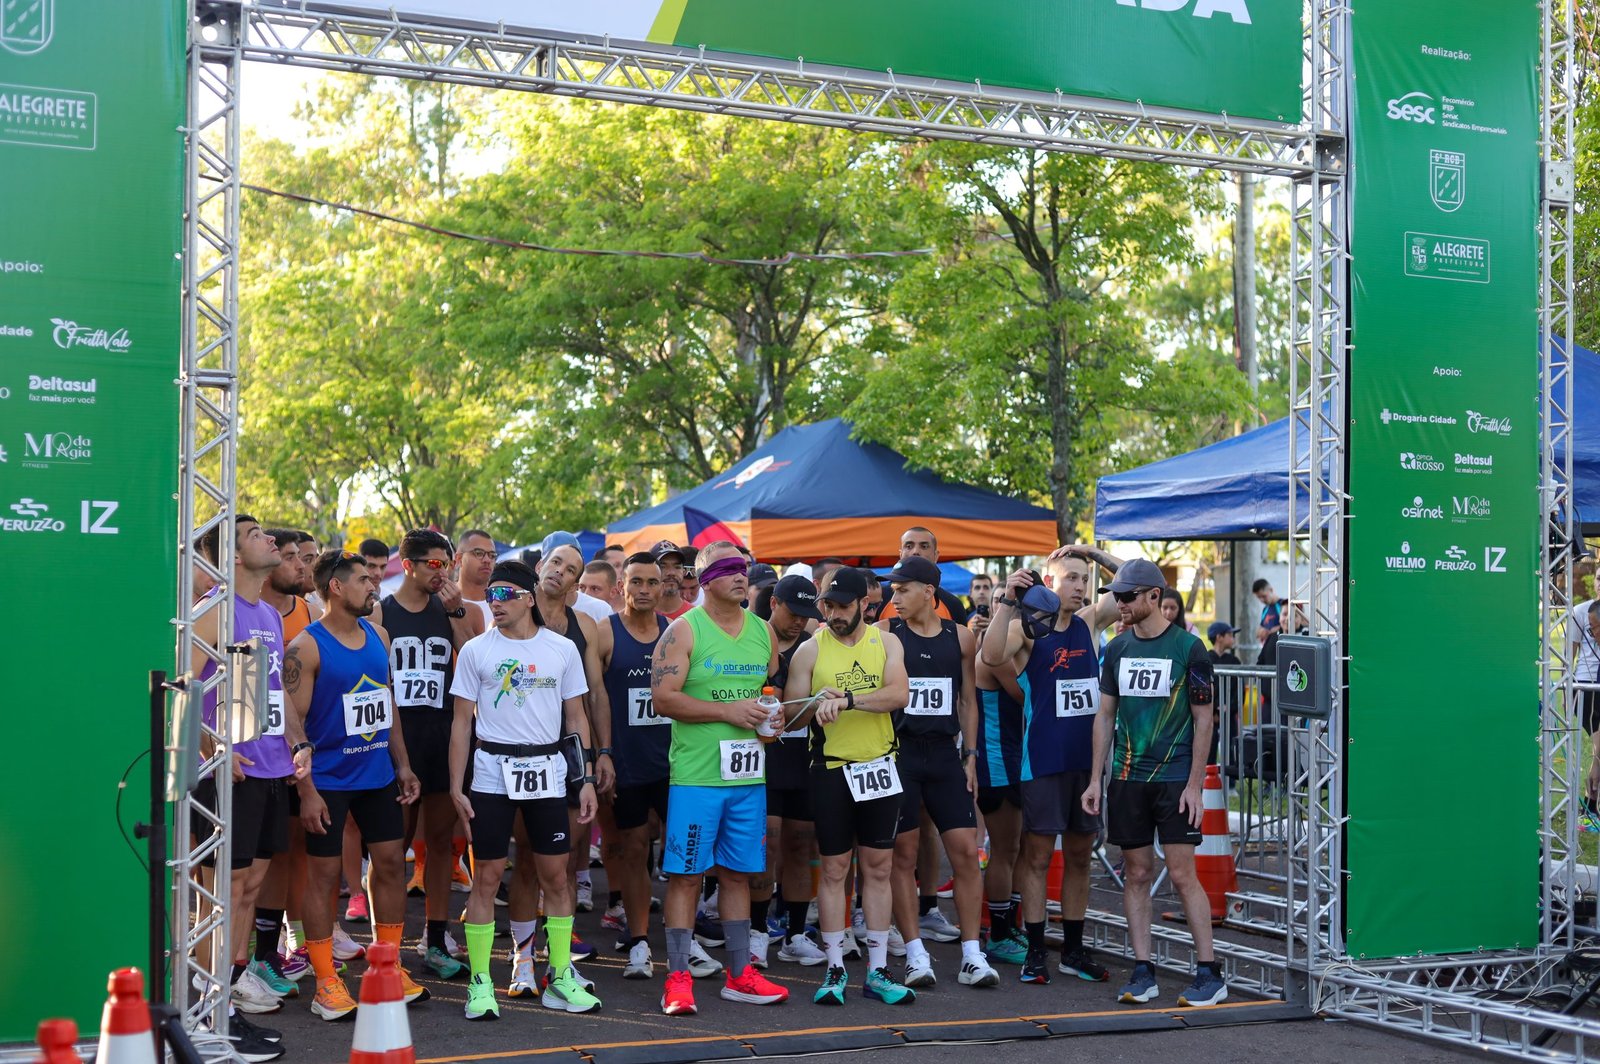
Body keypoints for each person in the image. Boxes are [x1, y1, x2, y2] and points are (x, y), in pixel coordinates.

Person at [448, 560, 600, 1020]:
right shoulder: (476, 650)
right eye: (490, 596)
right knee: (488, 876)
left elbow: (576, 717)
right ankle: (480, 983)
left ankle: (559, 976)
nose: (495, 603)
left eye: (505, 595)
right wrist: (457, 787)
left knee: (556, 875)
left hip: (548, 770)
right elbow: (460, 724)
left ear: (528, 599)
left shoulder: (561, 649)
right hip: (492, 770)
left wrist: (586, 778)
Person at [282, 550, 427, 1020]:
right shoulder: (307, 646)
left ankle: (386, 966)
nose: (374, 586)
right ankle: (326, 979)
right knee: (323, 878)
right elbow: (291, 725)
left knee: (389, 863)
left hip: (377, 775)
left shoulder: (379, 635)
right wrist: (305, 791)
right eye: (365, 579)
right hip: (327, 781)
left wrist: (402, 763)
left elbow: (388, 705)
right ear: (337, 588)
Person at [652, 541, 789, 1015]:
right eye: (728, 569)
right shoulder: (681, 632)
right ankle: (677, 978)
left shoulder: (764, 633)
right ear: (705, 578)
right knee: (687, 878)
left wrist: (774, 718)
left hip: (747, 778)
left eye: (743, 569)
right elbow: (664, 700)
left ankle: (738, 975)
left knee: (738, 875)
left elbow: (769, 693)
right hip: (695, 778)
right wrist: (727, 711)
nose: (739, 576)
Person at [1084, 559, 1225, 1008]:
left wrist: (1194, 785)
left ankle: (1209, 972)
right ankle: (1143, 970)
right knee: (1137, 873)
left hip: (1173, 780)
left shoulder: (1190, 648)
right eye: (1116, 596)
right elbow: (1104, 716)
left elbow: (1205, 719)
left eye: (1126, 596)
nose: (1118, 603)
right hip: (1127, 779)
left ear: (1152, 597)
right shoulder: (1117, 649)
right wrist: (1095, 779)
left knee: (1183, 875)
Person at [982, 545, 1122, 986]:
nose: (1081, 586)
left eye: (1085, 579)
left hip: (1087, 762)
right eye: (1071, 578)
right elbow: (989, 657)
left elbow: (1142, 583)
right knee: (1038, 857)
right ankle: (1037, 949)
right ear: (1049, 583)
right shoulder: (1028, 630)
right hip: (1042, 762)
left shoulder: (1089, 622)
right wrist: (1007, 598)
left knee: (1081, 856)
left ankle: (1073, 950)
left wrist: (1090, 552)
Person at [191, 516, 301, 1058]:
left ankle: (227, 1003)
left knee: (250, 890)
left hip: (268, 767)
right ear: (232, 556)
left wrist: (290, 751)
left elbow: (263, 697)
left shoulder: (265, 614)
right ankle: (211, 1009)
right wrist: (215, 747)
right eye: (258, 536)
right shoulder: (215, 606)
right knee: (223, 895)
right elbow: (185, 680)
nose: (272, 542)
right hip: (227, 773)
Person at [783, 567, 916, 1007]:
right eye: (828, 605)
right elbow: (791, 719)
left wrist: (849, 700)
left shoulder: (887, 642)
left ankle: (878, 970)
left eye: (842, 605)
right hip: (831, 769)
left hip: (879, 765)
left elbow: (899, 694)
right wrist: (812, 703)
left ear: (864, 604)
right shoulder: (809, 650)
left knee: (879, 868)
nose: (833, 614)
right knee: (836, 869)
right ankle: (835, 967)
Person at [881, 556, 997, 989]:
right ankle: (914, 954)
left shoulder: (961, 638)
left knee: (966, 852)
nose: (894, 598)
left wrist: (970, 756)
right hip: (901, 755)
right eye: (892, 590)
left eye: (902, 590)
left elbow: (968, 700)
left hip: (946, 756)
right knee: (904, 857)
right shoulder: (887, 633)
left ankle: (972, 955)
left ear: (928, 592)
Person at [373, 529, 483, 979]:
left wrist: (456, 609)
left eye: (448, 564)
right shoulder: (381, 610)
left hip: (442, 736)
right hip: (396, 740)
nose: (444, 573)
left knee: (441, 845)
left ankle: (434, 939)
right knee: (391, 849)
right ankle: (388, 946)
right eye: (435, 564)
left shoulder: (459, 609)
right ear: (409, 563)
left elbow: (472, 655)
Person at [592, 553, 673, 980]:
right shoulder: (605, 633)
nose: (644, 589)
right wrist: (603, 753)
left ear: (663, 588)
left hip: (675, 761)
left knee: (680, 851)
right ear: (621, 585)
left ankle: (684, 937)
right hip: (628, 760)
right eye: (636, 580)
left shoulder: (674, 633)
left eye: (652, 582)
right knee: (635, 848)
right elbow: (594, 698)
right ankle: (639, 940)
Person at [763, 575, 827, 966]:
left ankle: (796, 933)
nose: (798, 622)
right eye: (792, 612)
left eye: (806, 615)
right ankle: (757, 930)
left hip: (803, 758)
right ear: (773, 603)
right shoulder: (753, 640)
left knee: (801, 846)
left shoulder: (814, 647)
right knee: (766, 845)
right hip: (763, 760)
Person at [876, 528, 969, 623]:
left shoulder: (952, 604)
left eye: (924, 546)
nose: (916, 551)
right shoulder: (879, 598)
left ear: (936, 556)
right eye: (909, 546)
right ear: (901, 554)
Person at [456, 529, 498, 628]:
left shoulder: (503, 603)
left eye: (492, 555)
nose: (487, 560)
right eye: (479, 553)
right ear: (459, 559)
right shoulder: (444, 599)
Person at [652, 541, 695, 621]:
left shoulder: (696, 617)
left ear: (683, 571)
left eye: (677, 567)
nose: (671, 572)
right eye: (663, 566)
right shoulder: (638, 615)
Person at [1252, 579, 1286, 644]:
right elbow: (1260, 629)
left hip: (1280, 647)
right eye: (1259, 597)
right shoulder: (1265, 609)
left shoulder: (1283, 605)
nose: (1262, 600)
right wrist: (1259, 632)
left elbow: (1292, 625)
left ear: (1271, 590)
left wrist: (1270, 632)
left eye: (1264, 596)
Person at [968, 573, 995, 640]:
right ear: (970, 593)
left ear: (992, 591)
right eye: (977, 588)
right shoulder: (966, 619)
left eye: (985, 587)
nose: (981, 592)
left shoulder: (1002, 616)